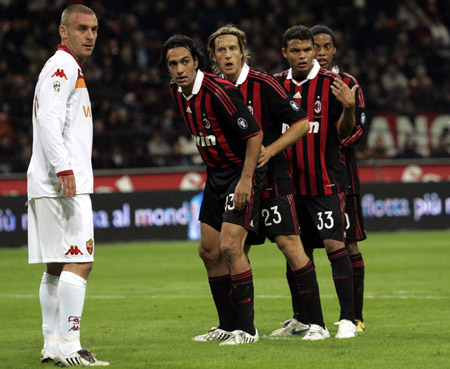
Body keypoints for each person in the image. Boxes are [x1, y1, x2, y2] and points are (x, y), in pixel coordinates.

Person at [207, 24, 330, 340]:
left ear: (242, 50)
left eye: (232, 48)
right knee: (233, 248)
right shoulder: (215, 88)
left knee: (289, 244)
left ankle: (315, 323)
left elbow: (302, 122)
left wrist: (270, 151)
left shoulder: (262, 83)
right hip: (239, 181)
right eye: (221, 50)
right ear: (214, 56)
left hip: (272, 179)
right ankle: (235, 326)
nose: (227, 55)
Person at [160, 34, 265, 345]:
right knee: (208, 250)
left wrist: (246, 179)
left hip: (239, 173)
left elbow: (255, 134)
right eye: (172, 64)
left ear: (196, 62)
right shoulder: (177, 93)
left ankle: (247, 330)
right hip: (216, 176)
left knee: (231, 247)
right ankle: (227, 325)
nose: (179, 69)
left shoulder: (220, 92)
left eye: (184, 62)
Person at [27, 5, 109, 366]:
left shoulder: (65, 68)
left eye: (93, 29)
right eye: (81, 28)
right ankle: (71, 347)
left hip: (49, 183)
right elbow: (48, 118)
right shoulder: (63, 66)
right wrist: (63, 169)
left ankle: (52, 344)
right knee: (81, 261)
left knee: (57, 265)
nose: (89, 35)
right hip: (61, 183)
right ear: (64, 32)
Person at [274, 25, 359, 339]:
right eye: (295, 51)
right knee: (295, 252)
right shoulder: (277, 84)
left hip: (324, 181)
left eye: (307, 50)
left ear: (314, 51)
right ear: (285, 53)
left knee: (336, 247)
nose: (302, 56)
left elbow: (343, 132)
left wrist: (349, 107)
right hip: (289, 185)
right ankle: (303, 319)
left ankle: (348, 320)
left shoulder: (332, 84)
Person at [311, 24, 367, 332]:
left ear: (334, 50)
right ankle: (303, 318)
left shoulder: (348, 82)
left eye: (325, 46)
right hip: (305, 178)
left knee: (349, 245)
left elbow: (358, 129)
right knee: (299, 247)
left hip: (342, 176)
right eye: (314, 46)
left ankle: (355, 317)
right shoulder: (298, 84)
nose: (320, 51)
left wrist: (327, 145)